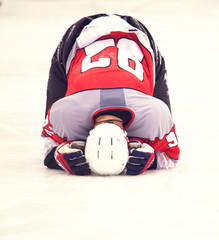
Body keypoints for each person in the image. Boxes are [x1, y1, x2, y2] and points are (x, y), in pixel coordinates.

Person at [42, 13, 180, 176]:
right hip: (90, 38)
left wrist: (57, 156)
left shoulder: (156, 115)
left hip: (112, 38)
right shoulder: (64, 114)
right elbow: (172, 157)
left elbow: (171, 157)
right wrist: (56, 155)